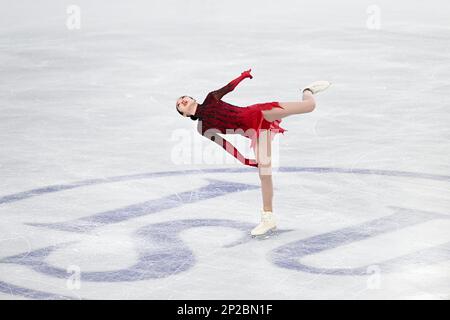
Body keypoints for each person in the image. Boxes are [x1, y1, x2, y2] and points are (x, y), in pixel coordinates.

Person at [176, 69, 330, 236]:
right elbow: (225, 145)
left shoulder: (211, 98)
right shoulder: (202, 128)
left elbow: (229, 87)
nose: (182, 101)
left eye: (184, 98)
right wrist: (245, 160)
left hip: (260, 112)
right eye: (178, 104)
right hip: (255, 132)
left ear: (193, 99)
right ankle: (268, 218)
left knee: (310, 106)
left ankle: (307, 91)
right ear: (184, 115)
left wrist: (242, 76)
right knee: (264, 172)